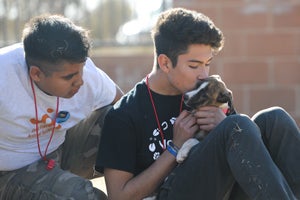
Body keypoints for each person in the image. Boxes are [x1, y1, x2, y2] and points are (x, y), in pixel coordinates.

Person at [95, 7, 300, 200]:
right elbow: (119, 195)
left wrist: (222, 125)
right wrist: (174, 149)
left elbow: (243, 153)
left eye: (208, 64)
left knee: (274, 119)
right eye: (194, 66)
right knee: (237, 126)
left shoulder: (207, 92)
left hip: (223, 189)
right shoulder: (124, 114)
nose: (203, 75)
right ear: (165, 63)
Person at [0, 14, 123, 200]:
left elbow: (126, 106)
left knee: (122, 121)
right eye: (69, 77)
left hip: (61, 151)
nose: (80, 81)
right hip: (13, 172)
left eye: (81, 70)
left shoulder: (84, 73)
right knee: (82, 196)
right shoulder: (4, 75)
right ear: (36, 74)